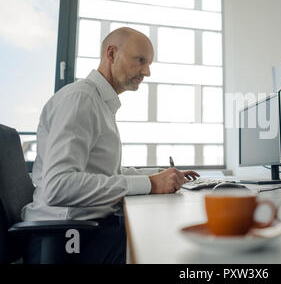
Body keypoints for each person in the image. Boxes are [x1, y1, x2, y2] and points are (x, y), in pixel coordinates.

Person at [22, 27, 199, 264]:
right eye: (140, 60)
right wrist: (150, 184)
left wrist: (155, 176)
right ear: (111, 54)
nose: (146, 71)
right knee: (174, 248)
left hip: (88, 229)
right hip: (68, 239)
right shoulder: (81, 99)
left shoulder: (99, 103)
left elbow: (102, 173)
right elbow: (58, 186)